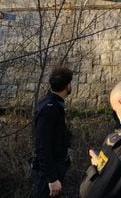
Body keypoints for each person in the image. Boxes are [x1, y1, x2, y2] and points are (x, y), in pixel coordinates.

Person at [31, 67, 73, 198]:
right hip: (48, 173)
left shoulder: (53, 104)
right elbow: (42, 146)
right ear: (68, 85)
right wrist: (52, 178)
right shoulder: (50, 109)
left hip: (54, 169)